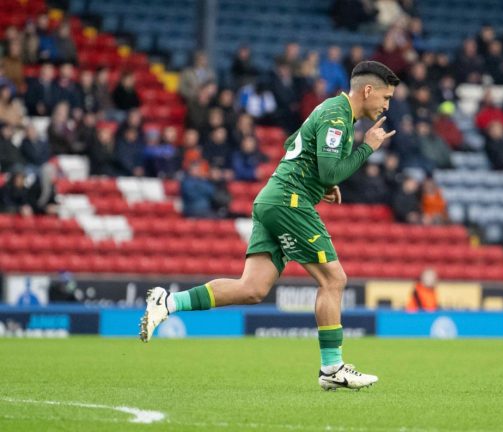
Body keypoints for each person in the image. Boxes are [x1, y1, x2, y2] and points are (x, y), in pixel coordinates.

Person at [140, 61, 399, 391]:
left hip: (273, 199)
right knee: (334, 279)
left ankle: (167, 302)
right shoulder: (337, 117)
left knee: (252, 289)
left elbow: (293, 145)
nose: (386, 106)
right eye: (386, 97)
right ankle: (332, 367)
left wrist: (321, 186)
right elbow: (329, 171)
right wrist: (367, 148)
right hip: (288, 201)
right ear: (368, 90)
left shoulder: (333, 111)